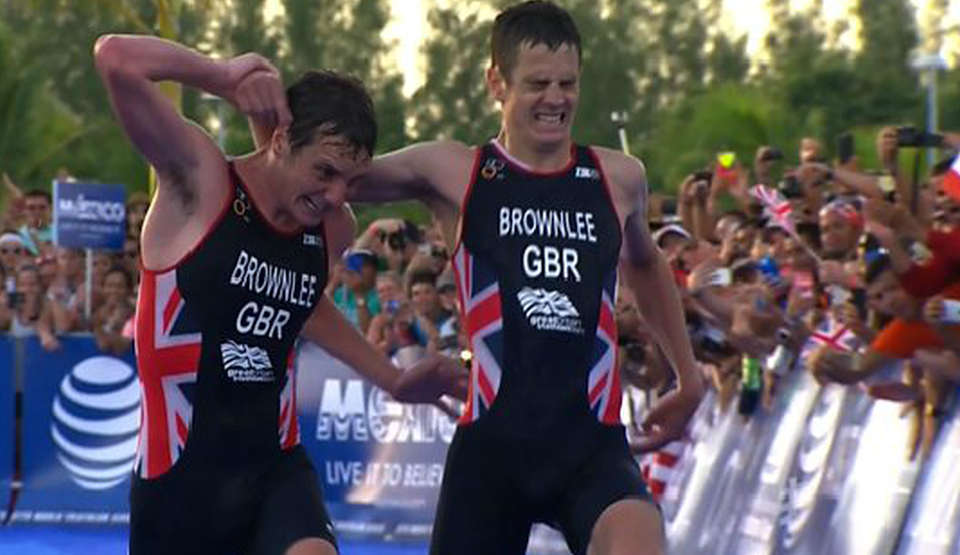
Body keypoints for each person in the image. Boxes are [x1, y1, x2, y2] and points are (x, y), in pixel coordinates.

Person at [252, 2, 702, 552]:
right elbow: (329, 174)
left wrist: (688, 376)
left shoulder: (619, 177)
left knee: (641, 540)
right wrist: (271, 132)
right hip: (492, 455)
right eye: (537, 84)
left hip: (591, 448)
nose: (556, 99)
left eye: (568, 83)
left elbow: (646, 264)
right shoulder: (453, 171)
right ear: (496, 83)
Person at [94, 34, 466, 555]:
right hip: (179, 482)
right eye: (325, 172)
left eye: (350, 181)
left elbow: (304, 305)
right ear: (280, 140)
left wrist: (394, 380)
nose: (336, 196)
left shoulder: (330, 228)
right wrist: (221, 76)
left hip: (275, 470)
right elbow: (116, 59)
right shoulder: (201, 183)